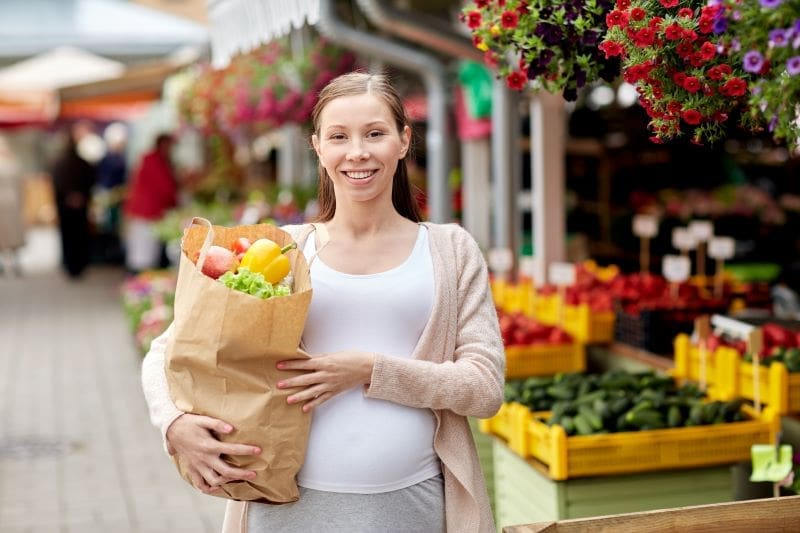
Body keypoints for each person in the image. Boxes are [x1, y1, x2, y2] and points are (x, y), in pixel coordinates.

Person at [141, 72, 505, 532]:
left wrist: (369, 370)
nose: (357, 152)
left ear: (403, 141)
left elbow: (484, 387)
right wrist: (174, 425)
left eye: (375, 133)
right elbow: (166, 352)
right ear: (318, 147)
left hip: (411, 505)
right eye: (339, 136)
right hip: (289, 508)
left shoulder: (450, 250)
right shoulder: (283, 251)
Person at [123, 133, 178, 273]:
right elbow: (166, 188)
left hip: (149, 211)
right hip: (147, 212)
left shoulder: (157, 160)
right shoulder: (154, 161)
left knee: (144, 250)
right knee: (144, 253)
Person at [50, 122, 96, 279]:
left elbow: (56, 182)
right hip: (74, 205)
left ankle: (71, 264)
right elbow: (91, 178)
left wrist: (71, 196)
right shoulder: (79, 162)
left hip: (67, 205)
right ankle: (77, 264)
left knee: (69, 236)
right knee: (78, 235)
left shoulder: (59, 163)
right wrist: (78, 195)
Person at [94, 122, 128, 264]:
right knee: (107, 227)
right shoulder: (110, 159)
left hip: (115, 197)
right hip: (108, 196)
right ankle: (108, 255)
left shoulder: (116, 158)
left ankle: (112, 254)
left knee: (113, 227)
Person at [0, 135, 26, 276]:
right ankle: (14, 262)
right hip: (12, 202)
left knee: (4, 236)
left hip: (7, 204)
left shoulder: (13, 164)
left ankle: (7, 263)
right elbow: (20, 187)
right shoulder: (14, 164)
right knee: (11, 235)